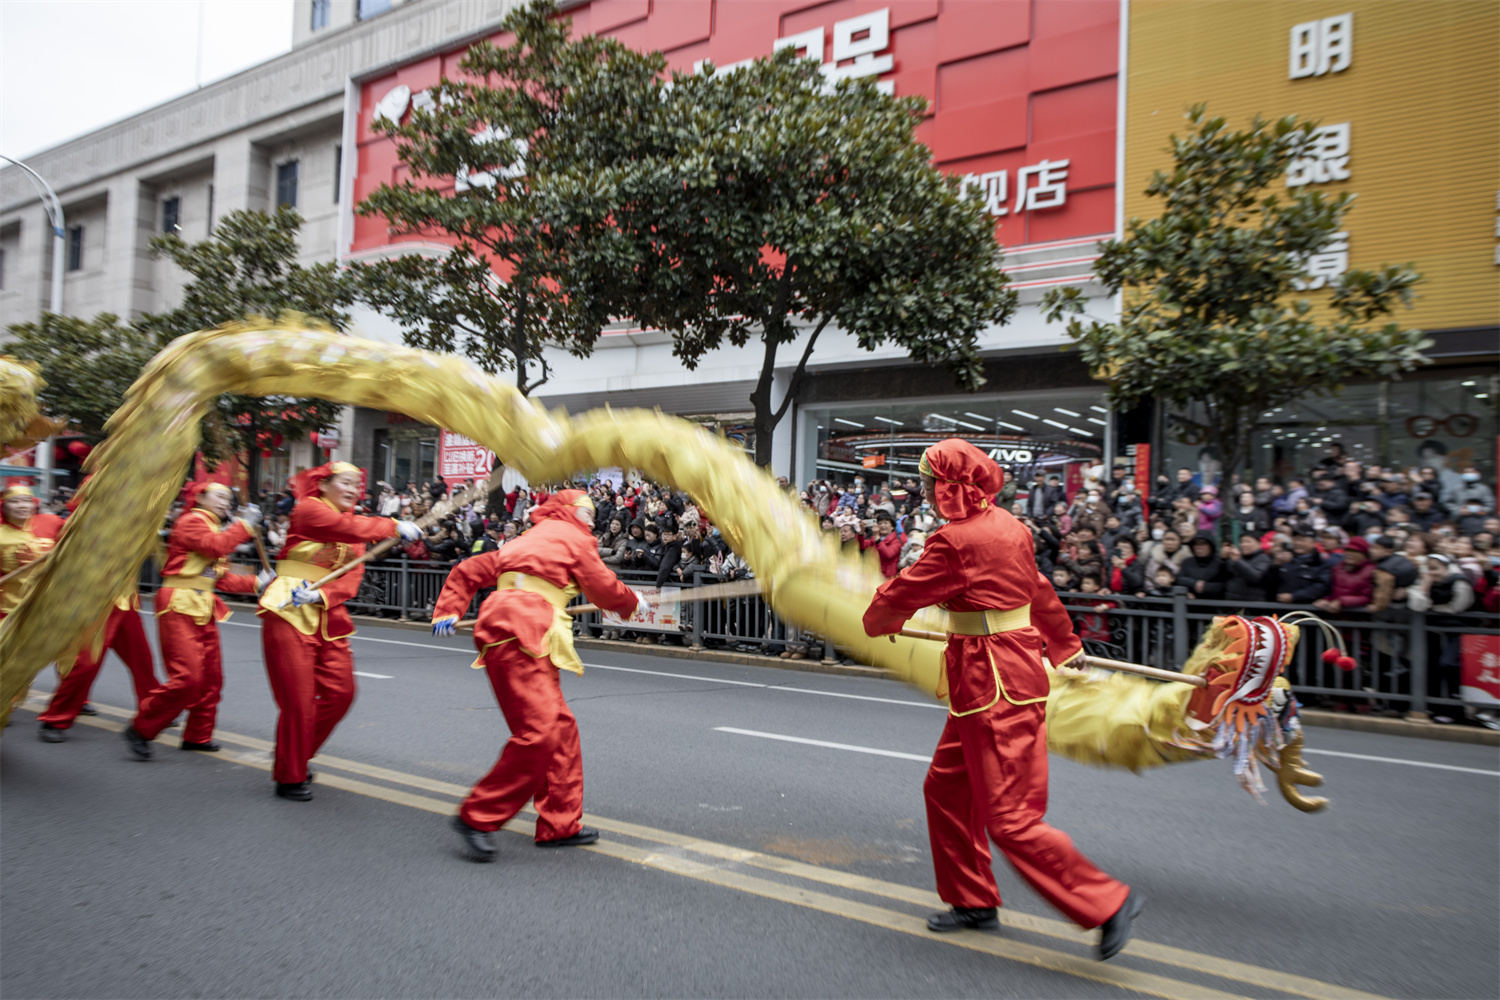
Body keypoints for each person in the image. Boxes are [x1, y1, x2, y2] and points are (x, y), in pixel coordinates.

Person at [861, 438, 1140, 961]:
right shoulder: (1011, 526)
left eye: (927, 480)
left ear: (949, 486)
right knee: (945, 788)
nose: (920, 489)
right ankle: (972, 899)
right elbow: (1035, 590)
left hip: (991, 686)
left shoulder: (954, 541)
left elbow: (903, 594)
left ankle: (1105, 903)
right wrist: (1063, 644)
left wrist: (877, 618)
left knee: (1010, 817)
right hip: (992, 678)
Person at [430, 490, 648, 861]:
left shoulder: (526, 539)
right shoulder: (572, 537)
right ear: (566, 512)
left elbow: (468, 570)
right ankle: (478, 817)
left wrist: (448, 610)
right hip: (525, 629)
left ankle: (559, 824)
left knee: (560, 731)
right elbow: (601, 585)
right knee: (542, 733)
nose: (592, 518)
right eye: (586, 511)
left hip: (516, 629)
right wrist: (632, 601)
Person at [256, 462, 421, 801]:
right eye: (346, 482)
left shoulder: (356, 530)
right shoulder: (309, 509)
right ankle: (290, 775)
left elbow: (349, 579)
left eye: (357, 485)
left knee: (341, 693)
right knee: (299, 701)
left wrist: (322, 593)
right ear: (325, 484)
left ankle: (295, 755)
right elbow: (341, 526)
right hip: (289, 608)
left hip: (326, 614)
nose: (353, 490)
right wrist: (391, 525)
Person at [120, 483, 269, 759]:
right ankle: (141, 727)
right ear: (200, 498)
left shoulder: (213, 527)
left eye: (229, 497)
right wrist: (245, 526)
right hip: (179, 603)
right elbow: (215, 547)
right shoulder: (190, 521)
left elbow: (217, 576)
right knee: (187, 677)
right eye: (220, 496)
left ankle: (198, 735)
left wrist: (257, 583)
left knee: (211, 679)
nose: (226, 502)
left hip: (203, 604)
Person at [38, 484, 160, 743]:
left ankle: (153, 711)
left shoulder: (133, 521)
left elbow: (147, 551)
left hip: (125, 601)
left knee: (142, 661)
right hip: (93, 603)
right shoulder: (77, 523)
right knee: (86, 663)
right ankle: (55, 718)